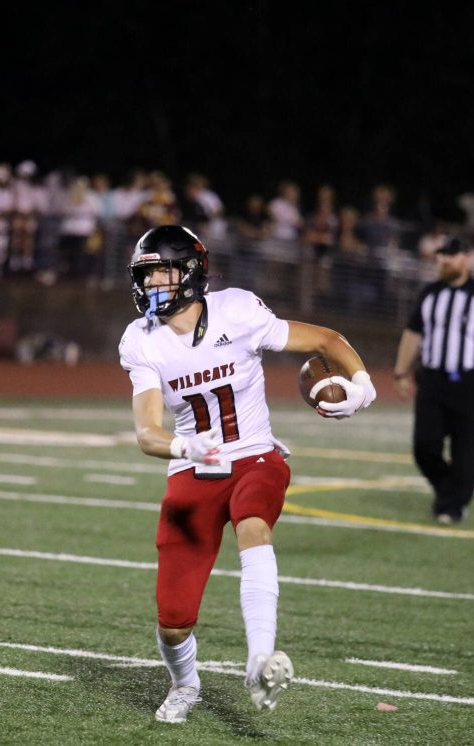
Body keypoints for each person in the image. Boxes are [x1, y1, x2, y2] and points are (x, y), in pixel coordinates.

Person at [118, 225, 377, 722]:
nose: (152, 286)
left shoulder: (237, 310)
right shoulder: (141, 341)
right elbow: (147, 432)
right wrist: (184, 444)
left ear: (191, 273)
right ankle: (185, 684)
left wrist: (362, 386)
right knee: (173, 622)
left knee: (253, 523)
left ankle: (260, 660)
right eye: (145, 276)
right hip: (196, 465)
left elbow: (325, 340)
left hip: (257, 454)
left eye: (161, 273)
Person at [392, 236, 474, 524]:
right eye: (442, 255)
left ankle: (453, 505)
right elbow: (412, 334)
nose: (445, 260)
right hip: (432, 379)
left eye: (452, 255)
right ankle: (449, 491)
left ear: (466, 259)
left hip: (470, 381)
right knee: (424, 446)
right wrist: (400, 372)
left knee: (466, 447)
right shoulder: (429, 293)